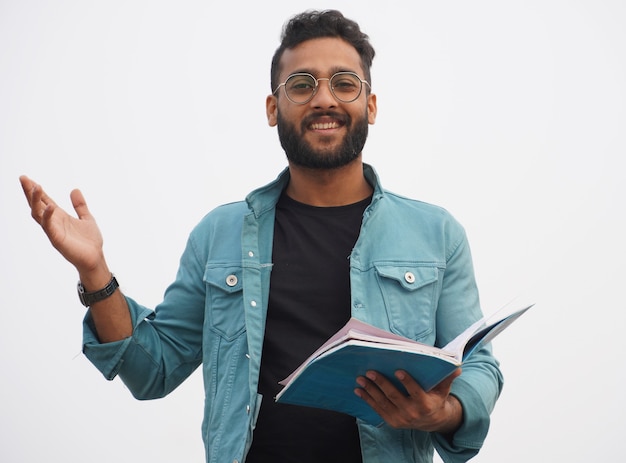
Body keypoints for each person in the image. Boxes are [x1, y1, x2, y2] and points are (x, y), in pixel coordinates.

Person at [20, 9, 503, 463]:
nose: (324, 99)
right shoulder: (219, 234)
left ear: (370, 106)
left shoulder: (436, 233)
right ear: (273, 108)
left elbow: (479, 366)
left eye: (344, 83)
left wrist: (445, 412)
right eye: (301, 84)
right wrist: (95, 271)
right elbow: (152, 369)